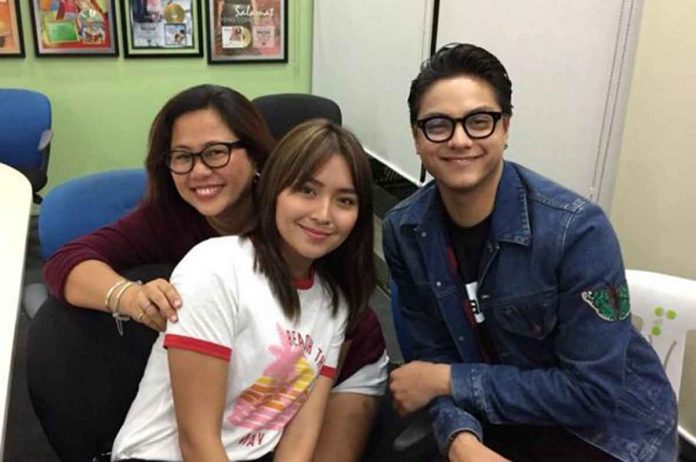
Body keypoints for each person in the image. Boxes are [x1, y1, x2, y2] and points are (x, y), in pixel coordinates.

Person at [27, 84, 387, 461]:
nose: (199, 171)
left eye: (216, 152)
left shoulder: (318, 260)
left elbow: (342, 316)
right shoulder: (200, 250)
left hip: (333, 361)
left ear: (258, 158)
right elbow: (67, 259)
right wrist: (131, 297)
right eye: (182, 157)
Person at [382, 43, 677, 462]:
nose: (460, 139)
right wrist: (460, 442)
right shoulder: (405, 231)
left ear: (505, 128)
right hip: (498, 424)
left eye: (479, 121)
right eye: (437, 125)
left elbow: (591, 393)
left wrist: (452, 381)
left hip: (607, 433)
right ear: (417, 138)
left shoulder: (576, 230)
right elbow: (431, 360)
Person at [110, 118, 375, 461]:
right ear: (274, 191)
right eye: (307, 191)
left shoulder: (335, 303)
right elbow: (197, 442)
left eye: (344, 200)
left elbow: (300, 437)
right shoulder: (217, 268)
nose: (324, 214)